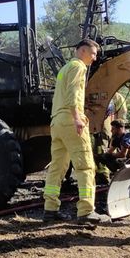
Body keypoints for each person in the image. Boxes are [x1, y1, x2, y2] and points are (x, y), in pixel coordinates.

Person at [43, 39, 111, 223]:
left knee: (57, 167)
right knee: (86, 166)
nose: (95, 58)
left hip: (56, 122)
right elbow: (73, 93)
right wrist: (77, 118)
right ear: (82, 51)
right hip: (70, 120)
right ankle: (86, 211)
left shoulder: (64, 69)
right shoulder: (78, 66)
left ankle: (50, 209)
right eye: (93, 53)